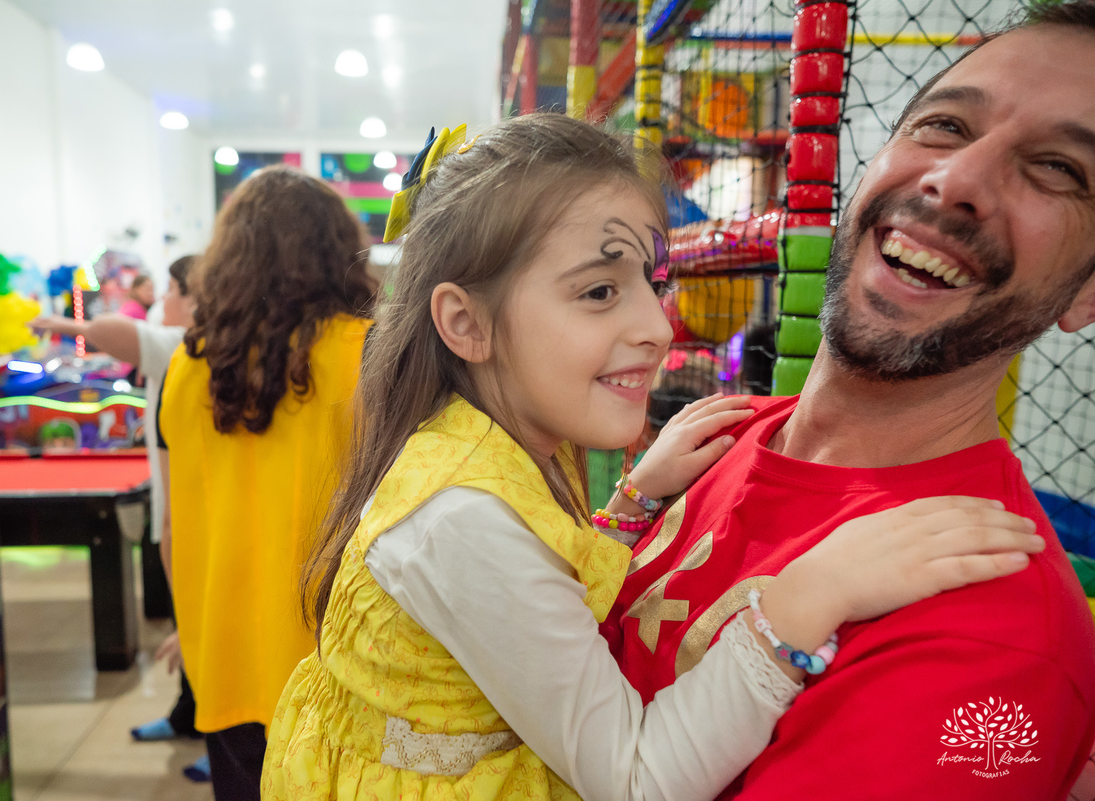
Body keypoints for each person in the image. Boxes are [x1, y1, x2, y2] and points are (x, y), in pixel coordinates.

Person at [260, 115, 1044, 801]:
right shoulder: (460, 519)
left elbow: (526, 603)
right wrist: (806, 599)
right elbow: (637, 779)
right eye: (599, 292)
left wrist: (635, 498)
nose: (659, 327)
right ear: (467, 324)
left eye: (651, 281)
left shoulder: (479, 445)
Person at [601, 5, 1095, 799]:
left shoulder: (994, 634)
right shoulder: (718, 439)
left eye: (1058, 170)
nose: (957, 178)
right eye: (942, 125)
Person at [158, 165, 376, 800]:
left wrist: (189, 622)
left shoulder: (187, 365)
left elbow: (173, 526)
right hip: (334, 662)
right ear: (337, 248)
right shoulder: (367, 353)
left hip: (220, 654)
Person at [31, 256, 206, 774]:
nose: (161, 300)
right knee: (188, 624)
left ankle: (219, 734)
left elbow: (111, 331)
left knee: (204, 629)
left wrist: (59, 323)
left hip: (195, 512)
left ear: (196, 300)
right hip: (176, 504)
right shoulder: (181, 345)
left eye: (172, 289)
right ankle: (189, 714)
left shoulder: (183, 344)